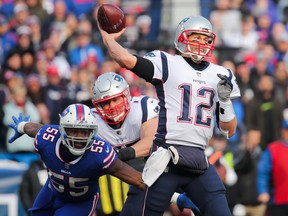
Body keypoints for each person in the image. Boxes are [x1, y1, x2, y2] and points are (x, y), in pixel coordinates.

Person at [97, 14, 240, 215]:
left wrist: (225, 101)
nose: (201, 43)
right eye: (195, 37)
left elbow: (229, 130)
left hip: (199, 160)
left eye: (205, 39)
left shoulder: (220, 74)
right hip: (166, 159)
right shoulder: (167, 62)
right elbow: (126, 59)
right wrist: (109, 39)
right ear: (181, 37)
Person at [8, 103, 144, 215]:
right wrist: (21, 126)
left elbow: (138, 180)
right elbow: (35, 128)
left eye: (84, 132)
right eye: (74, 131)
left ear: (93, 132)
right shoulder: (47, 139)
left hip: (80, 203)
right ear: (62, 130)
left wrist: (161, 192)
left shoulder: (100, 154)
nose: (79, 137)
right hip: (51, 192)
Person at [91, 72, 197, 216]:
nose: (111, 107)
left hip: (164, 169)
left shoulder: (142, 107)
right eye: (105, 103)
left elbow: (149, 144)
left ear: (126, 95)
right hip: (132, 181)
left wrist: (116, 154)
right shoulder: (92, 120)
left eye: (115, 100)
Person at [257, 118, 288, 216]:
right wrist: (263, 191)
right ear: (282, 131)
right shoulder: (273, 149)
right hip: (278, 200)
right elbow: (263, 173)